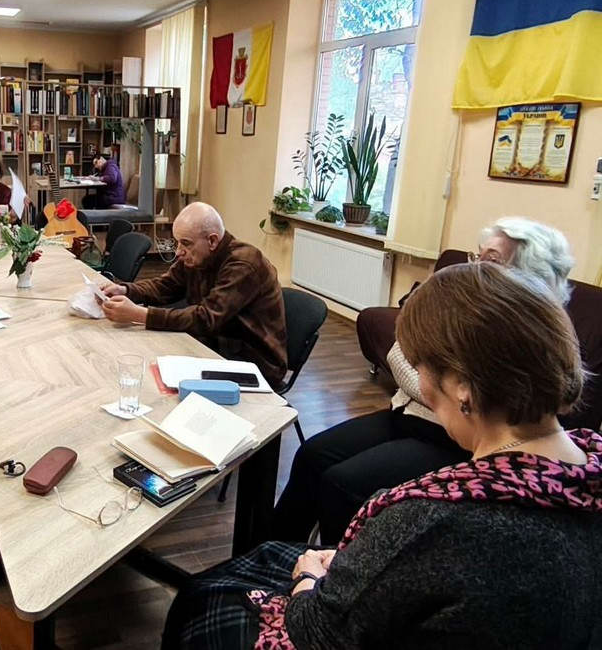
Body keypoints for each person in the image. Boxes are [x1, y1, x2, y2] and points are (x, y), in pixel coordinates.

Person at [164, 262, 601, 649]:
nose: (419, 382)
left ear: (462, 388)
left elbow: (315, 632)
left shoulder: (431, 522)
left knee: (201, 597)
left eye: (421, 367)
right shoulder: (584, 475)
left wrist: (309, 579)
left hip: (321, 622)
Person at [270, 217, 577, 544]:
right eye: (477, 256)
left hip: (450, 439)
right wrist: (435, 388)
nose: (475, 268)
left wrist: (429, 387)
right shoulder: (464, 306)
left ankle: (333, 564)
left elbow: (476, 407)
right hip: (406, 414)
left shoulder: (526, 337)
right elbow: (399, 350)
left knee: (341, 484)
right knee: (312, 455)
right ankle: (270, 551)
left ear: (527, 276)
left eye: (491, 260)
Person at [101, 202, 287, 386]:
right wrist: (126, 290)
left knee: (147, 375)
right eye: (177, 242)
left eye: (185, 243)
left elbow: (205, 319)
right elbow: (166, 286)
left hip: (252, 362)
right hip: (216, 344)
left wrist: (140, 314)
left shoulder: (244, 264)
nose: (178, 251)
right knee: (140, 360)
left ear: (212, 241)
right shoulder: (197, 255)